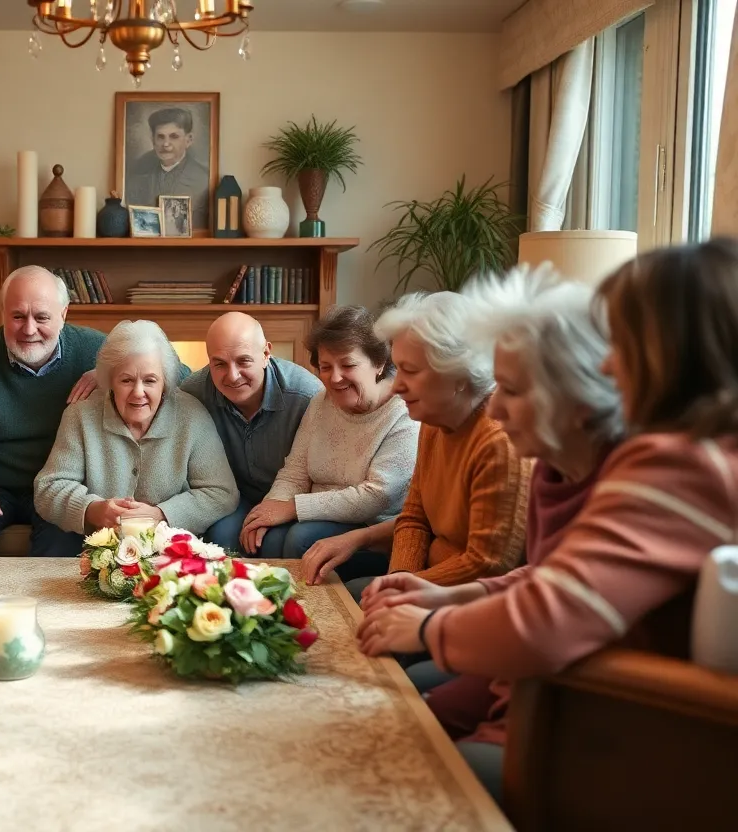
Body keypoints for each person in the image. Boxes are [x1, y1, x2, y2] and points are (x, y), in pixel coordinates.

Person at [357, 239, 738, 801]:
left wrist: (425, 626)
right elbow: (552, 574)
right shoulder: (675, 455)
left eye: (624, 342)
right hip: (565, 690)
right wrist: (449, 598)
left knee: (404, 764)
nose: (608, 363)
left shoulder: (679, 464)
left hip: (605, 721)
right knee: (400, 723)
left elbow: (546, 618)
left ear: (676, 353)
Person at [376, 266, 625, 711]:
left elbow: (535, 598)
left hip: (575, 694)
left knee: (409, 708)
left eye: (510, 390)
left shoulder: (623, 485)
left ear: (578, 399)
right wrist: (415, 585)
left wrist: (430, 621)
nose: (497, 408)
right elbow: (543, 576)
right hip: (517, 649)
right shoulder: (555, 470)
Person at [301, 291, 530, 603]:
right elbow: (415, 517)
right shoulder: (435, 420)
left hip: (475, 603)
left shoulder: (499, 443)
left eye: (410, 370)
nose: (396, 385)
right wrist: (399, 579)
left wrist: (403, 593)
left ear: (458, 375)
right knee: (323, 602)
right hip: (425, 581)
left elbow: (486, 565)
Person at [0, 266, 108, 555]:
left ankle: (50, 600)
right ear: (2, 312)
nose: (29, 329)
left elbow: (173, 372)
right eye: (17, 316)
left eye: (41, 317)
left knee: (67, 532)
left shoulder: (97, 349)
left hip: (61, 483)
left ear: (63, 314)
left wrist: (110, 372)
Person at [240, 306, 419, 571]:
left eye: (348, 365)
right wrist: (267, 511)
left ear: (379, 363)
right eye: (325, 367)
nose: (334, 378)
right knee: (267, 538)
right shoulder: (322, 402)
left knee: (301, 540)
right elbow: (296, 471)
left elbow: (376, 496)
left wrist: (293, 508)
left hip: (375, 530)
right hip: (313, 516)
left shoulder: (404, 412)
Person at [35, 320, 238, 547]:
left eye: (150, 380)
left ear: (165, 383)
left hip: (171, 547)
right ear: (110, 381)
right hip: (98, 550)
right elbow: (48, 488)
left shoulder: (192, 416)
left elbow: (222, 492)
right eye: (126, 380)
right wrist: (92, 509)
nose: (138, 392)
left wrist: (162, 514)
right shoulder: (81, 416)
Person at [180, 312, 322, 551]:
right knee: (222, 537)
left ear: (266, 354)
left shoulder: (307, 396)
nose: (232, 376)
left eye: (243, 361)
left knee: (273, 543)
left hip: (291, 498)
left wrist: (279, 508)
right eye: (219, 364)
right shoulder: (193, 394)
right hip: (233, 497)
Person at [125, 107, 210, 229]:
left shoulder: (203, 179)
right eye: (160, 137)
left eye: (174, 136)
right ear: (153, 140)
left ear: (188, 140)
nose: (166, 144)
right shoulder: (137, 173)